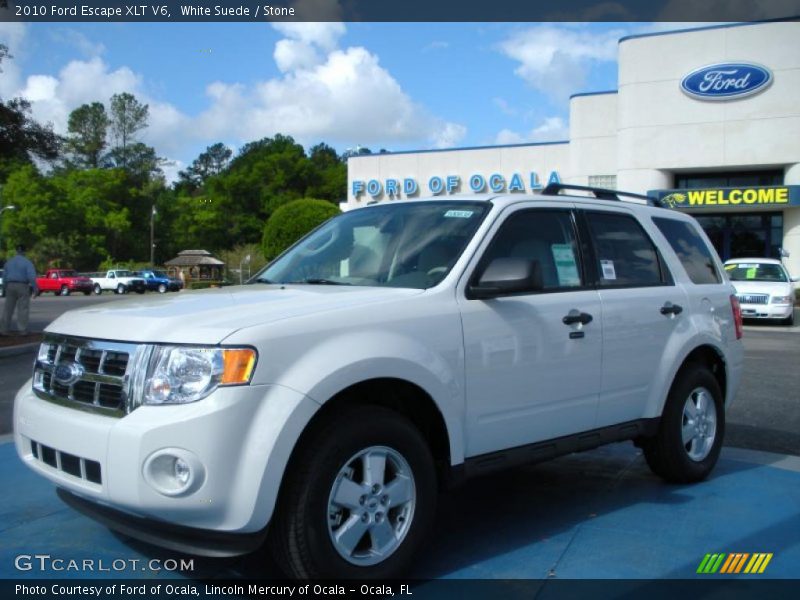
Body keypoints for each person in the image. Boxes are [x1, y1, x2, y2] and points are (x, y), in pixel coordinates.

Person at [1, 244, 38, 336]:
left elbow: (4, 276)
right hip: (22, 285)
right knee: (23, 308)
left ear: (16, 251)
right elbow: (32, 277)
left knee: (8, 308)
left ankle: (4, 329)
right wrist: (35, 288)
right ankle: (22, 329)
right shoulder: (27, 262)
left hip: (10, 284)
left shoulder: (9, 262)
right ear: (24, 251)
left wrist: (5, 287)